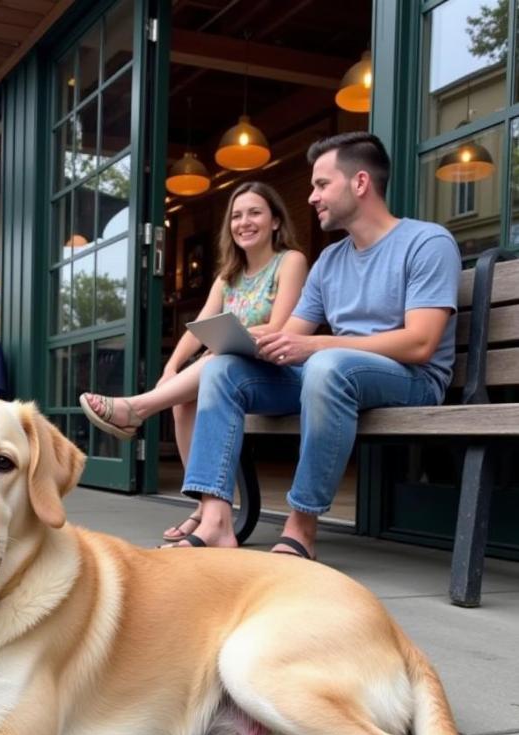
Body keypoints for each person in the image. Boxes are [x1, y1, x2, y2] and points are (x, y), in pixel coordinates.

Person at [171, 132, 461, 559]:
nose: (311, 197)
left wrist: (319, 345)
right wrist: (238, 343)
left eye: (321, 185)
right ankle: (215, 520)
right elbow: (292, 334)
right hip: (337, 376)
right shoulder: (330, 260)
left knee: (328, 365)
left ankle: (301, 525)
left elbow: (420, 343)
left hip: (412, 379)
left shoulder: (426, 242)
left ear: (360, 183)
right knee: (221, 370)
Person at [79, 181, 308, 541]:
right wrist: (170, 370)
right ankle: (206, 503)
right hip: (232, 371)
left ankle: (136, 409)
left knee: (218, 361)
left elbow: (279, 326)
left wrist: (229, 343)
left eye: (255, 213)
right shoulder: (227, 277)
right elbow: (198, 328)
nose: (244, 222)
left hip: (277, 373)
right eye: (236, 215)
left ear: (276, 221)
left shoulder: (290, 261)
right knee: (182, 403)